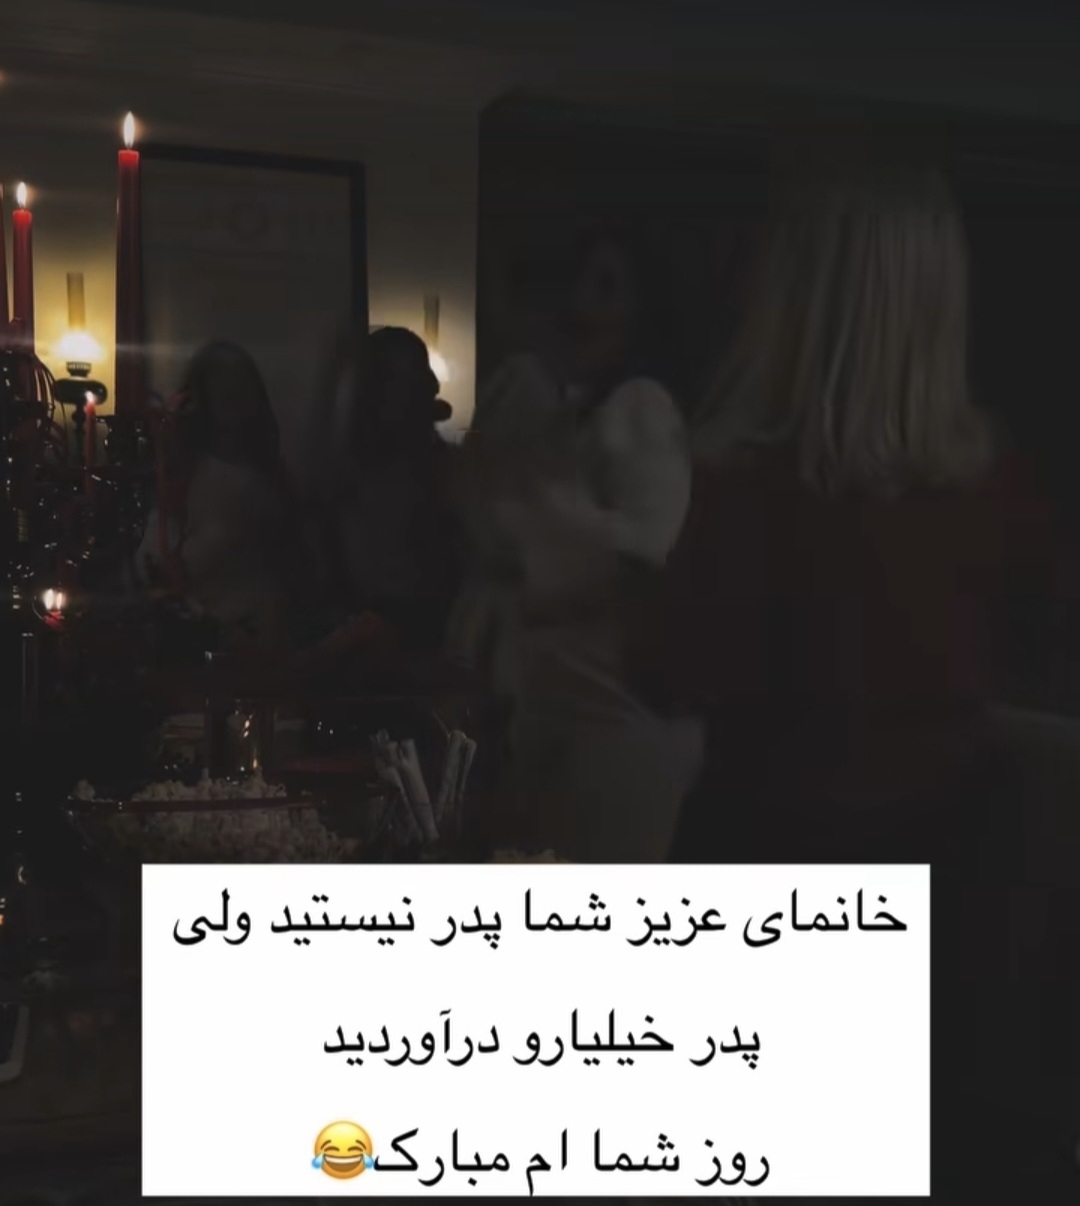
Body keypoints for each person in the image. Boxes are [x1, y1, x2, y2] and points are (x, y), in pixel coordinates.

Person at [630, 154, 1080, 1196]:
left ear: (791, 299)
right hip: (958, 869)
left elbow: (669, 671)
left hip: (768, 855)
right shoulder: (993, 482)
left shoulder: (745, 489)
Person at [464, 223, 702, 861]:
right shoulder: (571, 410)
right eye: (578, 283)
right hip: (568, 702)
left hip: (616, 714)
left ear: (642, 306)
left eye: (607, 287)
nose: (581, 304)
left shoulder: (642, 408)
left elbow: (645, 556)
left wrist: (537, 563)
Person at [306, 324, 461, 660]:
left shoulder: (438, 464)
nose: (431, 385)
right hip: (364, 632)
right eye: (407, 379)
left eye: (422, 375)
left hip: (428, 630)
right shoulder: (346, 468)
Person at [137, 340, 304, 649]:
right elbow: (159, 557)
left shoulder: (264, 478)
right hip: (204, 635)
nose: (234, 394)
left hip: (261, 634)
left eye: (242, 383)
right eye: (222, 383)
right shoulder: (182, 471)